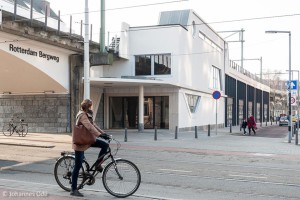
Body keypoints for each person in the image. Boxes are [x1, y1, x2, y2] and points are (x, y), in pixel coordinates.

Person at [71, 99, 109, 197]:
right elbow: (89, 127)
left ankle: (98, 164)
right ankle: (73, 189)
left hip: (87, 139)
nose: (91, 107)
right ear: (88, 106)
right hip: (80, 142)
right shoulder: (82, 115)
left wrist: (104, 134)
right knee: (78, 165)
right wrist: (99, 135)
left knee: (105, 145)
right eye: (90, 106)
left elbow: (94, 125)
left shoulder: (88, 114)